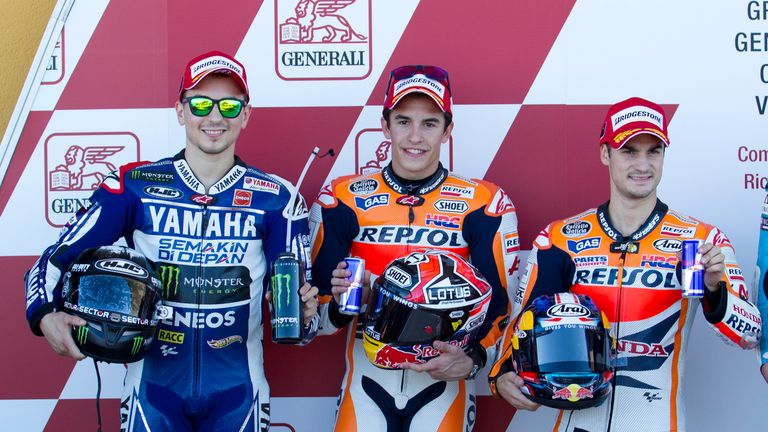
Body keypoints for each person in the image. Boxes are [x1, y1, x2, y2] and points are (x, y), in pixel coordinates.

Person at [24, 50, 320, 431]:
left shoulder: (278, 199)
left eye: (230, 106)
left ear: (246, 115)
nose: (215, 117)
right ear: (181, 111)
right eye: (201, 104)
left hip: (239, 393)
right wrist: (43, 315)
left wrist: (306, 317)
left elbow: (299, 325)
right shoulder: (133, 186)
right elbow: (52, 260)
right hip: (152, 391)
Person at [488, 97, 761, 431]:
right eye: (629, 151)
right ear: (606, 154)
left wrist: (714, 291)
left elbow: (749, 335)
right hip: (576, 420)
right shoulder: (560, 238)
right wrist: (501, 377)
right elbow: (518, 326)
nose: (642, 165)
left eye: (653, 151)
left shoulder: (698, 240)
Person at [310, 65, 519, 431]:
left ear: (448, 130)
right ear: (385, 125)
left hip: (443, 384)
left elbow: (501, 308)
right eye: (404, 121)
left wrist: (473, 359)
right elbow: (314, 322)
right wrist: (348, 304)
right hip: (366, 381)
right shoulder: (341, 198)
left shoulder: (484, 203)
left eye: (429, 123)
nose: (415, 137)